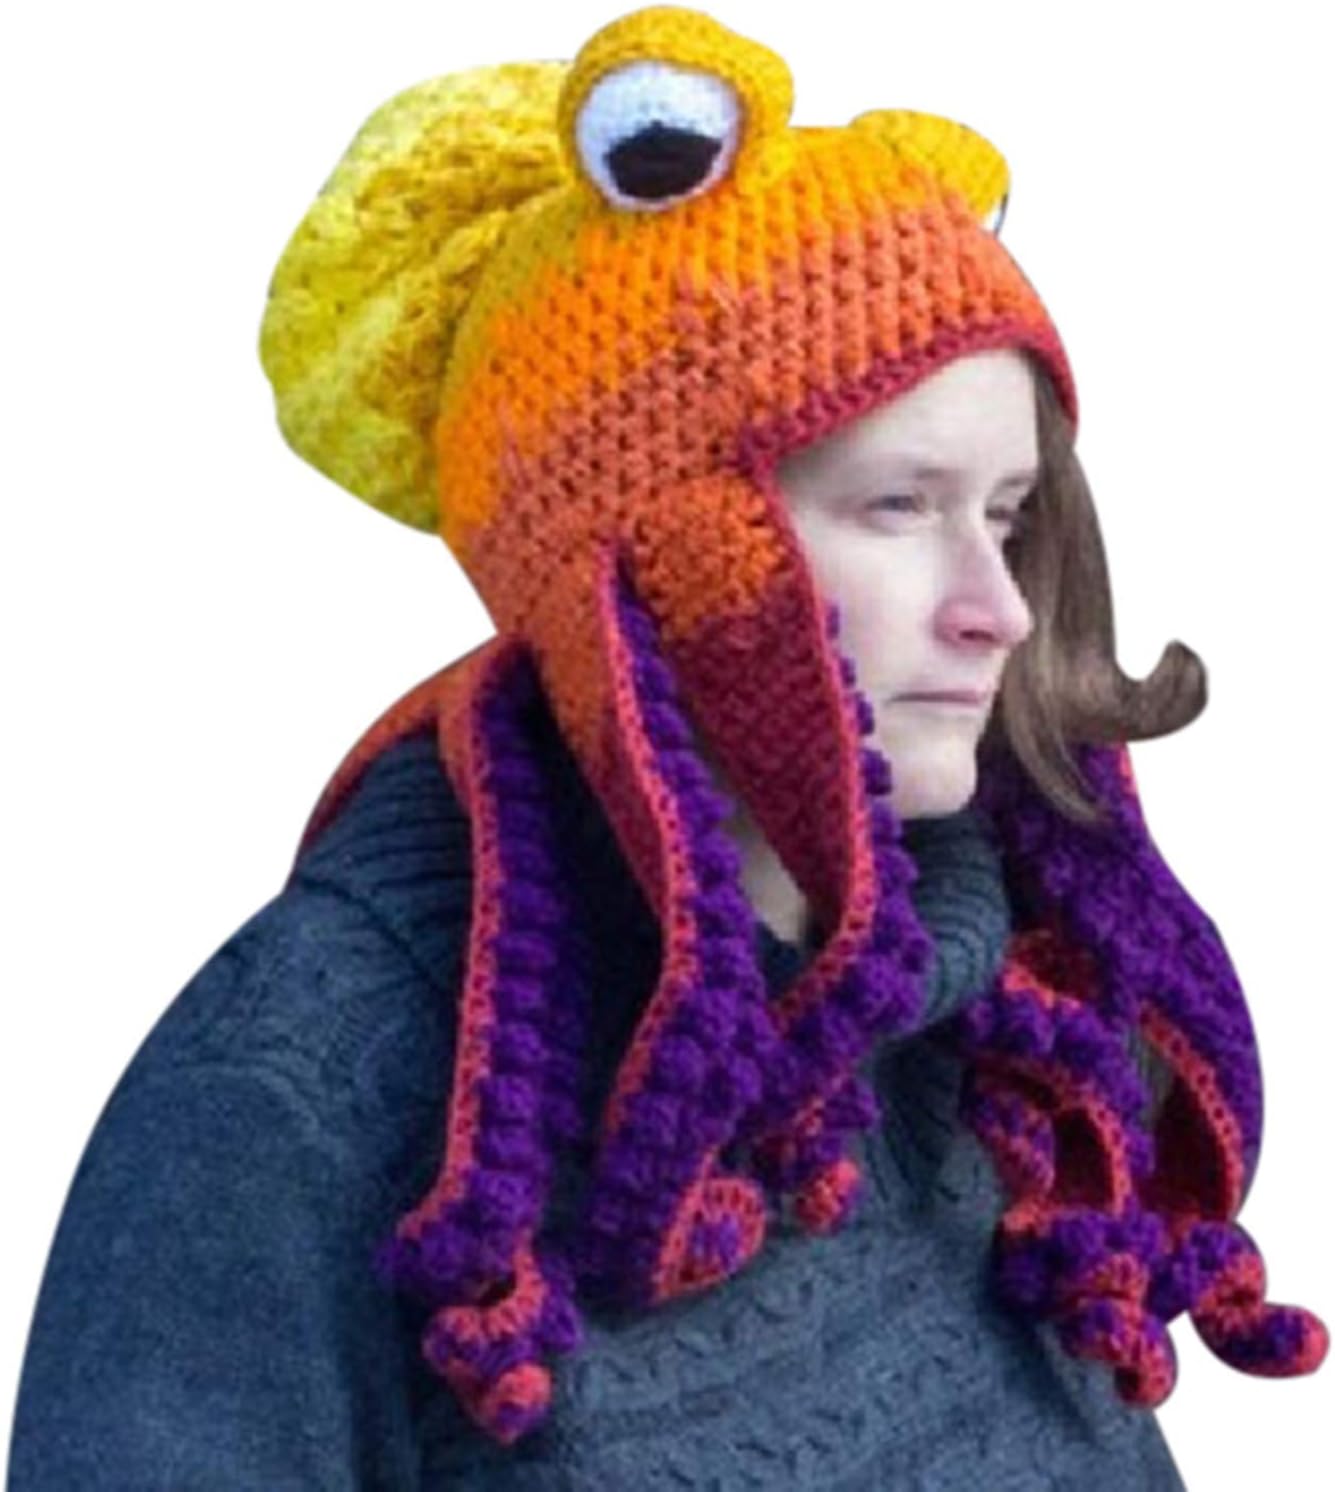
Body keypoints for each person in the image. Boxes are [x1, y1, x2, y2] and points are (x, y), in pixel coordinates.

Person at [9, 6, 1328, 1488]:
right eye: (899, 507)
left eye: (1009, 515)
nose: (999, 608)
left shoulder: (1000, 1036)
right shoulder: (300, 1085)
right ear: (640, 554)